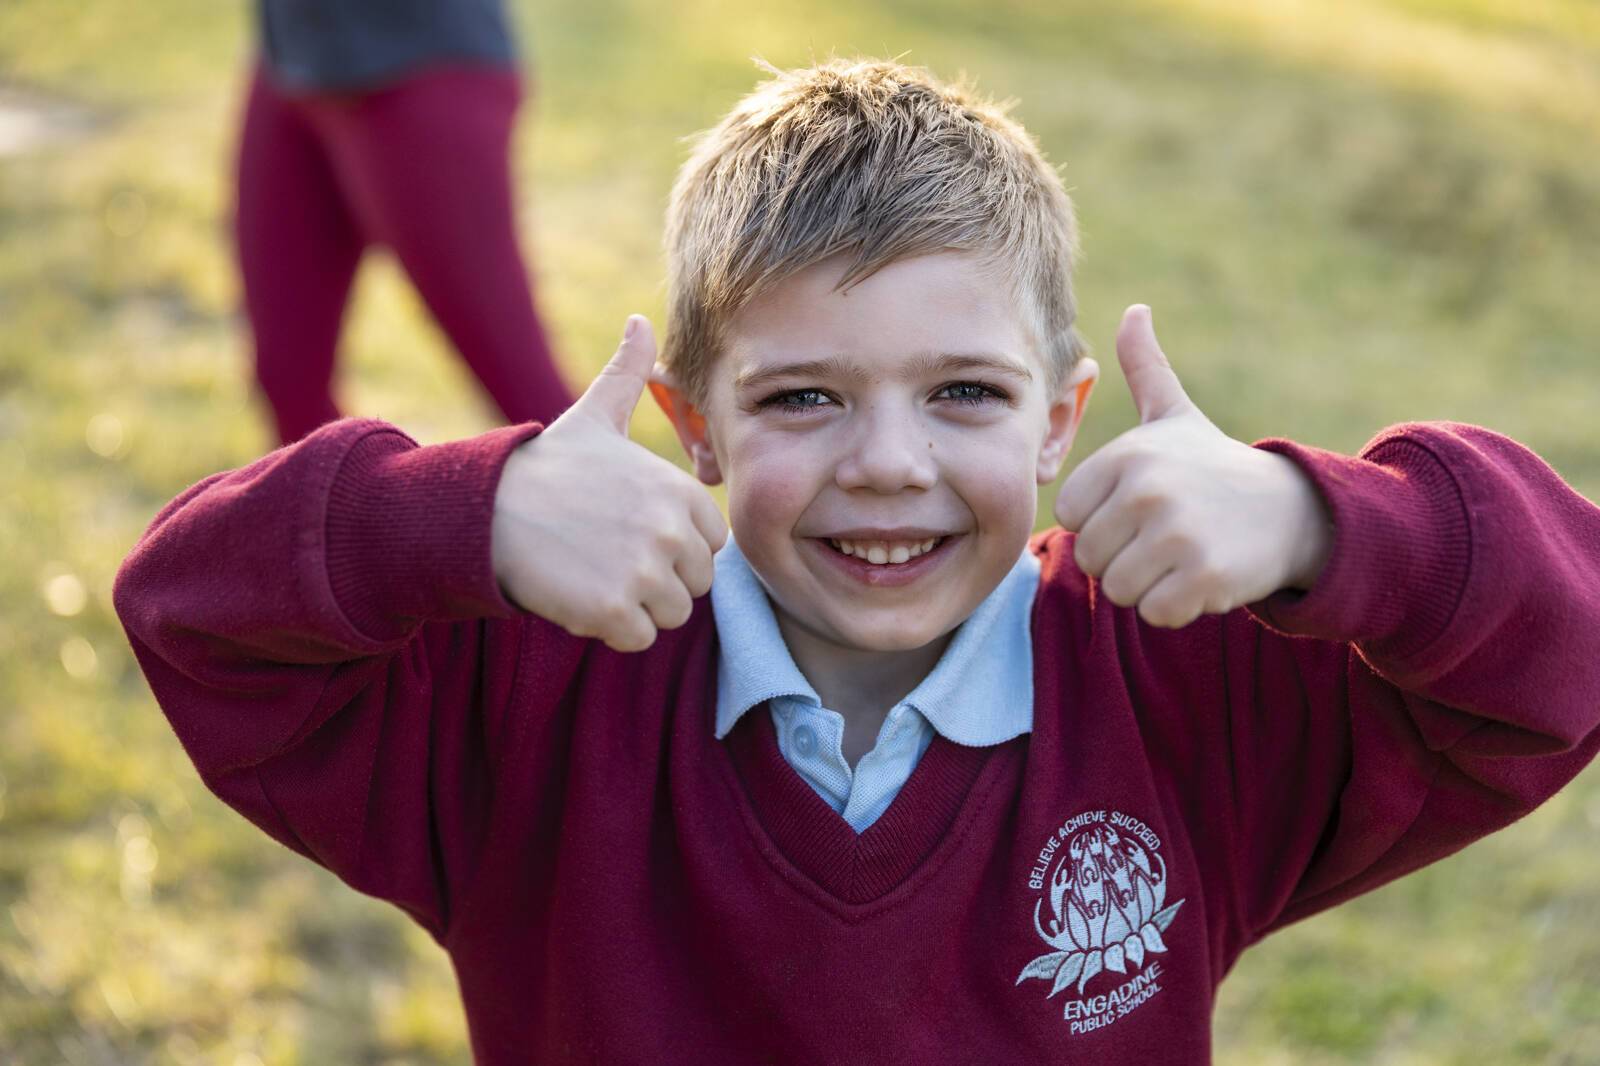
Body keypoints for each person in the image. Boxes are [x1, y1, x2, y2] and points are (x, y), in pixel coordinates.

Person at [115, 59, 1600, 1063]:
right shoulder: (539, 690)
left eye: (964, 390)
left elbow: (1562, 658)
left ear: (1057, 424)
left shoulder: (1186, 683)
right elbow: (192, 611)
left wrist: (1318, 524)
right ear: (693, 430)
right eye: (803, 397)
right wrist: (465, 514)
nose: (887, 459)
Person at [237, 0, 573, 444]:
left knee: (539, 409)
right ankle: (348, 513)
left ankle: (660, 509)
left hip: (423, 66)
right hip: (296, 54)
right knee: (288, 384)